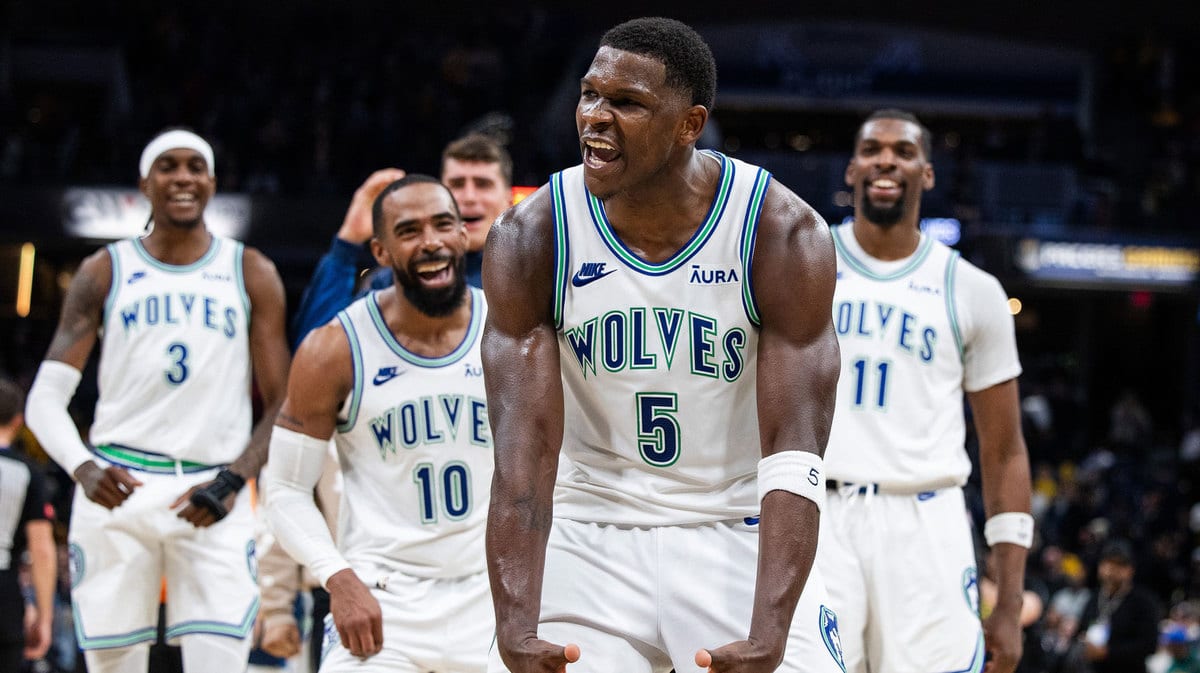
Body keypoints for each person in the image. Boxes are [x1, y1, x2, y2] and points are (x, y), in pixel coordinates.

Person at [483, 17, 844, 673]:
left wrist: (771, 627)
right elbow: (523, 448)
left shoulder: (782, 232)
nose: (595, 117)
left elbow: (797, 445)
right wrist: (513, 619)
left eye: (626, 103)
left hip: (736, 525)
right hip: (591, 529)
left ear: (689, 123)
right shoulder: (531, 234)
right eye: (590, 95)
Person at [24, 128, 291, 673]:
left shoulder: (250, 270)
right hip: (117, 489)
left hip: (214, 490)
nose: (183, 177)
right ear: (145, 183)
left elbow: (284, 403)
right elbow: (45, 398)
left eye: (196, 166)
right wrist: (82, 468)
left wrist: (233, 480)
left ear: (213, 183)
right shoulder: (104, 270)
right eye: (168, 166)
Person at [818, 108, 1034, 673]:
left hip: (925, 518)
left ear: (927, 174)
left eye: (904, 151)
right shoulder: (803, 266)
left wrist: (1008, 603)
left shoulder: (973, 289)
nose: (886, 159)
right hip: (817, 513)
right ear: (851, 170)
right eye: (871, 149)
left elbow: (1005, 449)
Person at [263, 174, 495, 672]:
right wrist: (336, 578)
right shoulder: (333, 349)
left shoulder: (508, 331)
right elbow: (283, 487)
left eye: (442, 225)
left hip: (491, 595)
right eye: (409, 231)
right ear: (382, 251)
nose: (430, 241)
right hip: (382, 598)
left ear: (462, 236)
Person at [289, 133, 513, 346]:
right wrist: (347, 242)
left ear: (508, 200)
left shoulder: (532, 278)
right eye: (456, 184)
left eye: (483, 184)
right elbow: (315, 359)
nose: (469, 197)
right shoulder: (394, 279)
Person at [0, 378, 55, 671]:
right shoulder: (27, 472)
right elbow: (42, 550)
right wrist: (44, 616)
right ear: (19, 421)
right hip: (4, 590)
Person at [1074, 539, 1162, 673]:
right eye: (1108, 562)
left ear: (1130, 569)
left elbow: (1149, 645)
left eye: (1120, 564)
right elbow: (1081, 629)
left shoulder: (1143, 601)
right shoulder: (1094, 597)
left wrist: (1108, 652)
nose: (1113, 569)